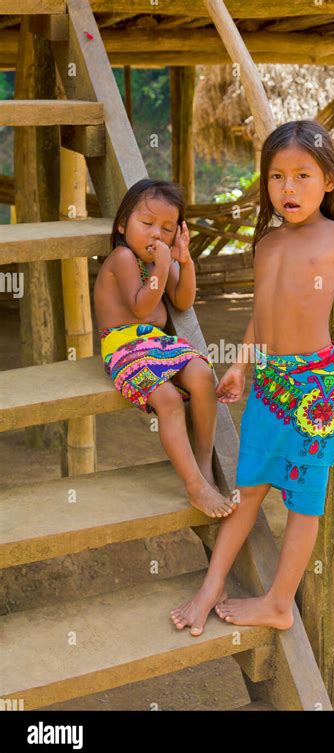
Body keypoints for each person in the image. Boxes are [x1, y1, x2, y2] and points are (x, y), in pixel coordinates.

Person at [170, 120, 334, 635]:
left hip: (314, 390)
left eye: (303, 175)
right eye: (277, 176)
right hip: (270, 385)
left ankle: (279, 602)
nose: (288, 188)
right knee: (251, 487)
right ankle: (210, 587)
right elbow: (262, 313)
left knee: (305, 500)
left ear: (329, 180)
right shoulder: (266, 244)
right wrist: (240, 363)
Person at [94, 178, 235, 519]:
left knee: (202, 373)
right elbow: (142, 307)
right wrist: (162, 265)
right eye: (147, 223)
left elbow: (184, 301)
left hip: (157, 345)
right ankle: (193, 484)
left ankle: (202, 460)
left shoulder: (159, 261)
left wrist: (183, 262)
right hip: (124, 347)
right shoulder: (124, 258)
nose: (157, 234)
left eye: (167, 228)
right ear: (123, 224)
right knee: (169, 400)